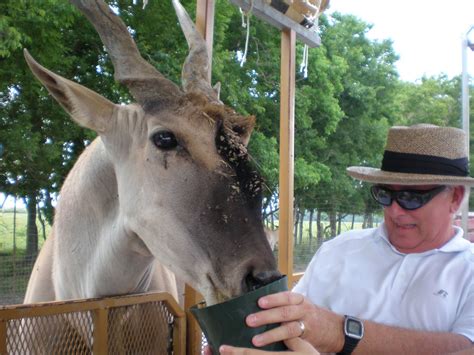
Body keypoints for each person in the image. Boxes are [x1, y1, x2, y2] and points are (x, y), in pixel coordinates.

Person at [221, 124, 474, 354]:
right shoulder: (339, 250)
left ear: (455, 197)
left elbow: (465, 347)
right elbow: (293, 329)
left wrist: (341, 332)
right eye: (385, 194)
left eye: (412, 198)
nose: (395, 211)